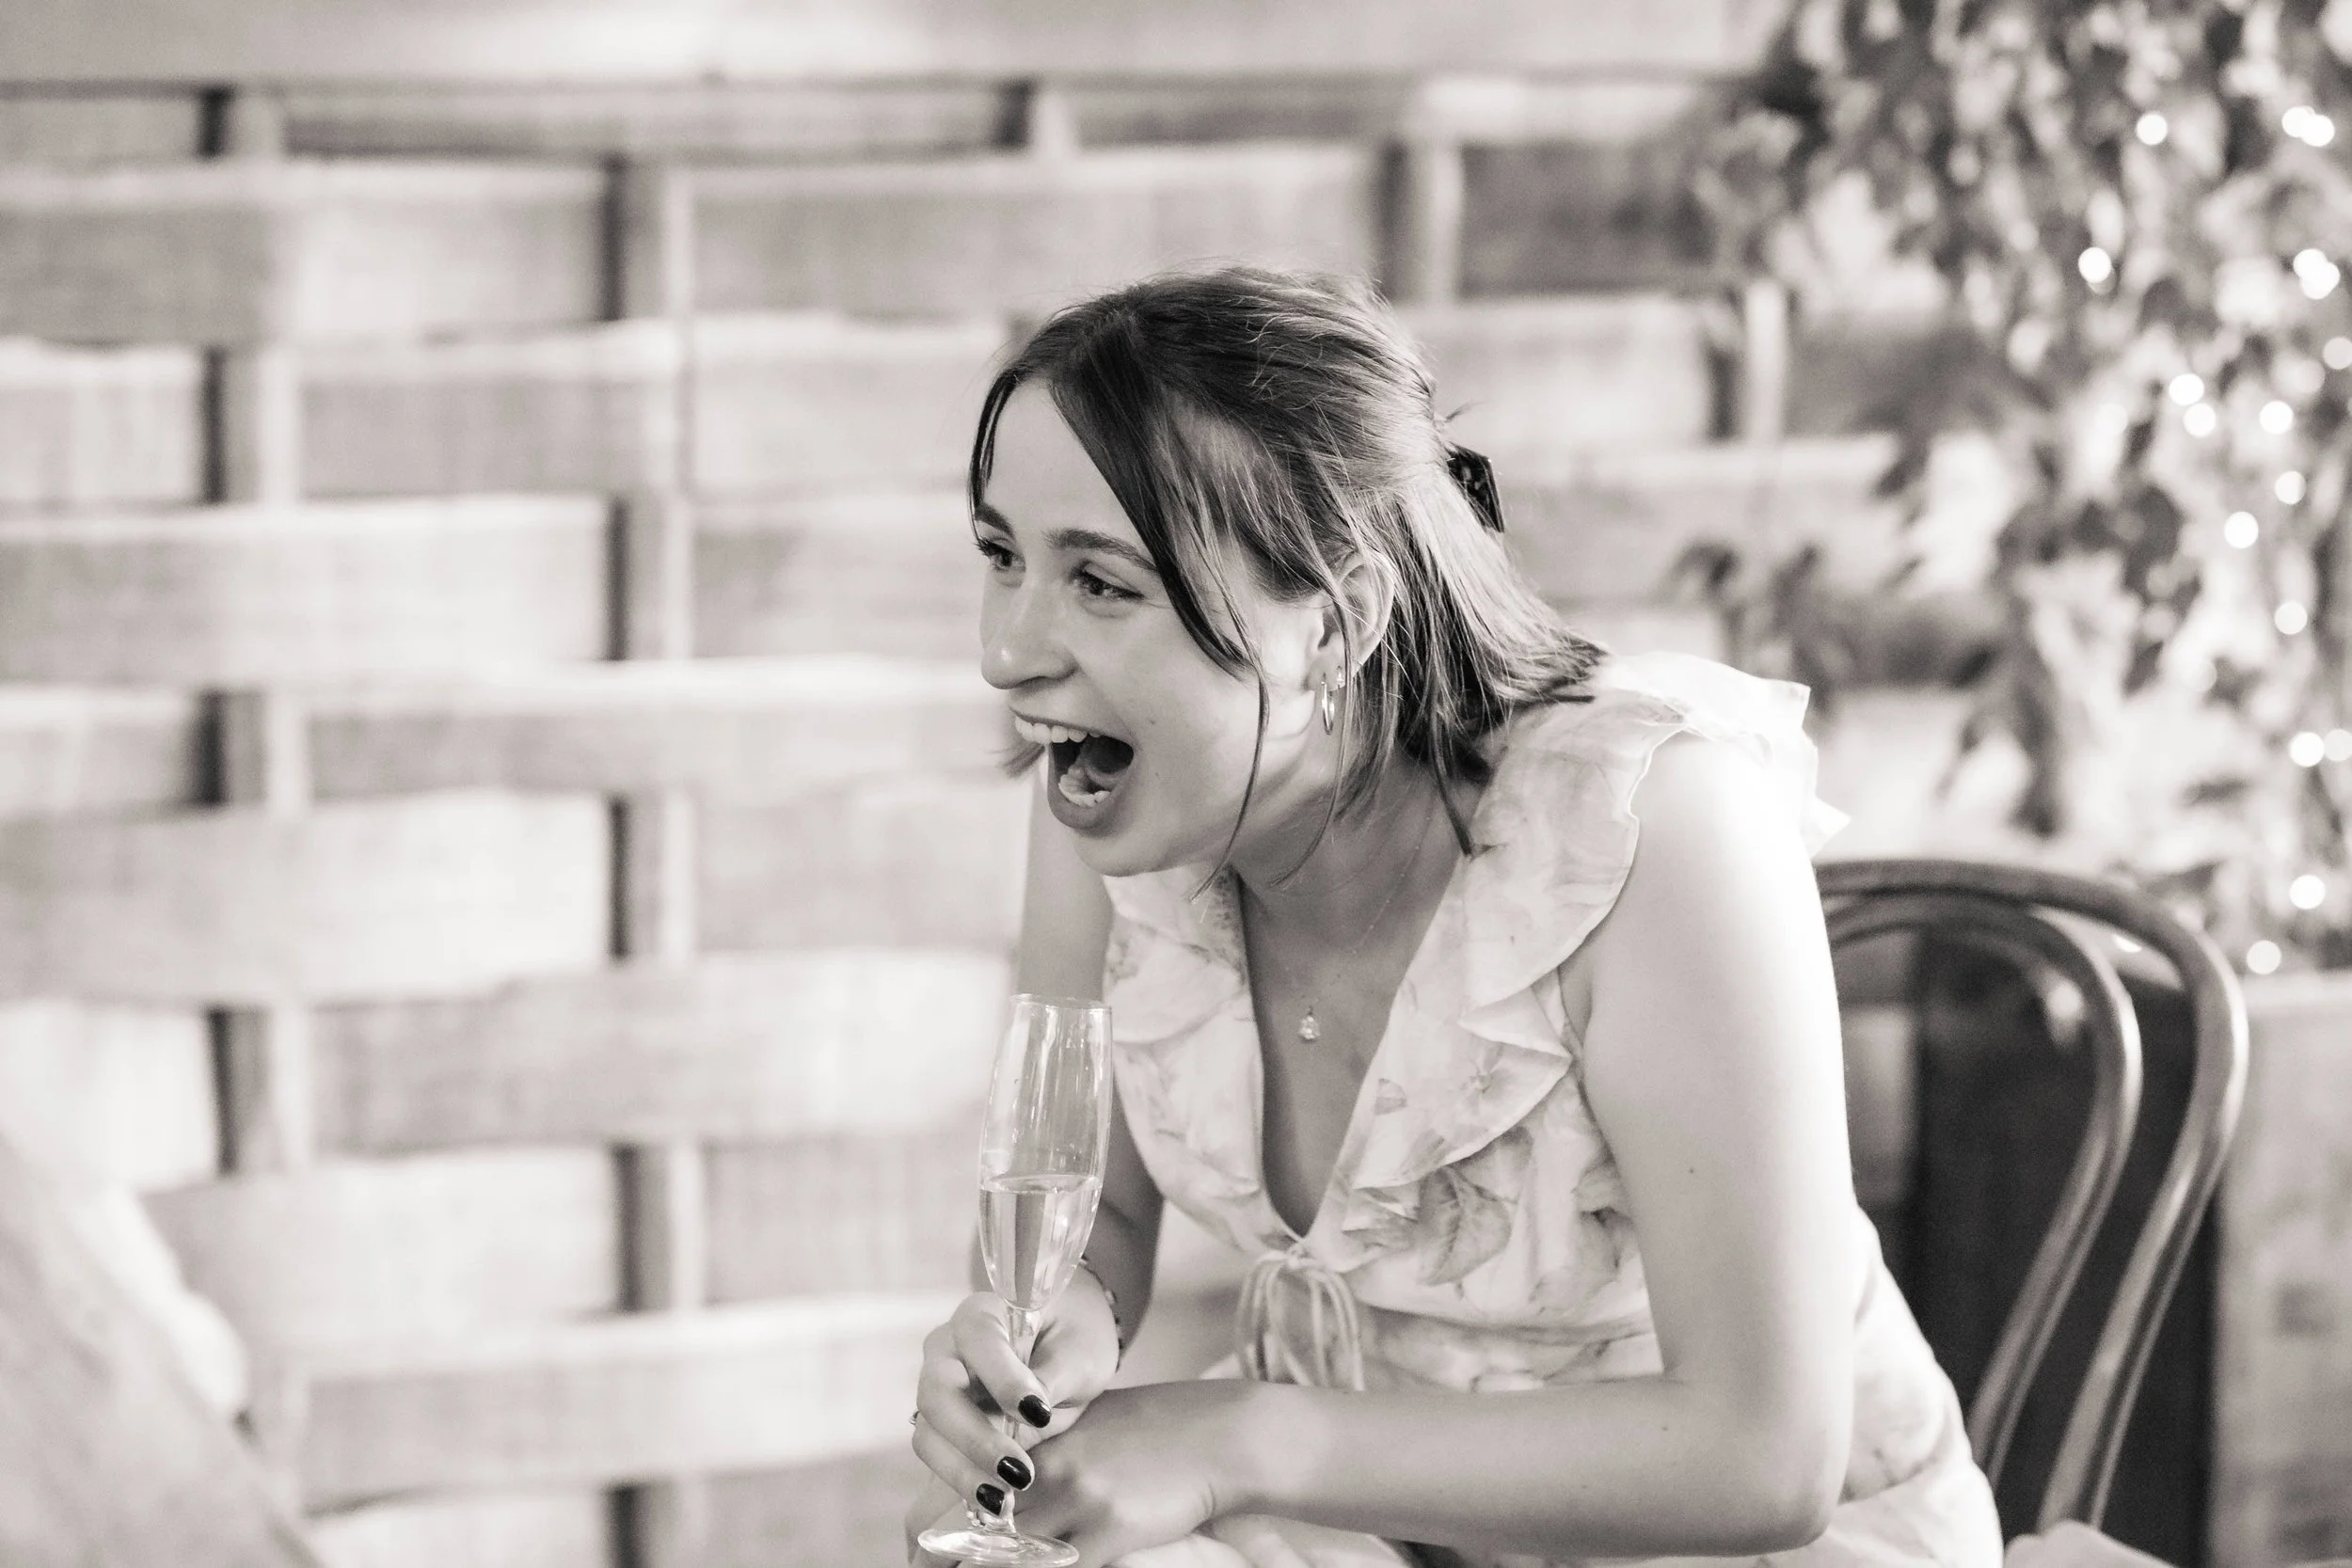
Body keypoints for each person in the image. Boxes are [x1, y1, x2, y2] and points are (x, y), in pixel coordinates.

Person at [907, 265, 2002, 1568]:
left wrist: (1238, 1440)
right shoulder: (1107, 805)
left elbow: (1768, 1455)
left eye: (1102, 584)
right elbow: (1102, 1209)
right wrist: (1054, 1320)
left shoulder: (1656, 829)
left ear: (1338, 623)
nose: (1008, 650)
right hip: (1375, 1522)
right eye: (1002, 557)